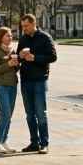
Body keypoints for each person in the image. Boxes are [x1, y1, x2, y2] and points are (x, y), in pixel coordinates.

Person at [16, 14, 57, 154]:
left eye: (26, 26)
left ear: (34, 24)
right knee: (29, 114)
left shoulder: (45, 38)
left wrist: (35, 58)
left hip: (40, 79)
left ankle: (44, 143)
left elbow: (53, 56)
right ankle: (34, 141)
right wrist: (20, 56)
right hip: (26, 80)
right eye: (23, 26)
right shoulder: (23, 39)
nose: (24, 29)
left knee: (41, 113)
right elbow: (17, 58)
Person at [0, 27, 19, 153]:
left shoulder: (12, 51)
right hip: (1, 86)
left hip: (13, 85)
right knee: (5, 114)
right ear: (1, 37)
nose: (10, 38)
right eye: (7, 36)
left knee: (9, 115)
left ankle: (4, 141)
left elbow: (14, 70)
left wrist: (17, 64)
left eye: (11, 36)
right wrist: (8, 64)